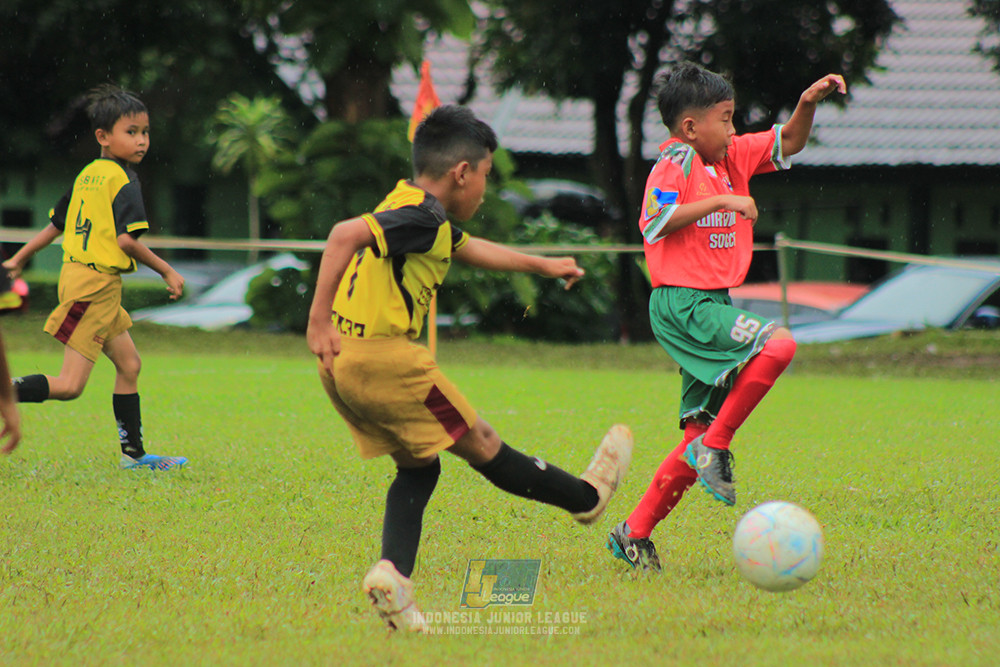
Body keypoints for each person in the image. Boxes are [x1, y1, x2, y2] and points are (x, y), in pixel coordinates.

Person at [307, 104, 634, 632]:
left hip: (343, 366)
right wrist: (316, 319)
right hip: (386, 360)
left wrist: (542, 263)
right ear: (462, 172)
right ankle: (586, 498)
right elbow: (344, 234)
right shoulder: (424, 214)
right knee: (483, 443)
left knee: (419, 467)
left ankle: (394, 580)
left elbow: (464, 247)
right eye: (483, 175)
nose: (484, 190)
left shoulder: (409, 205)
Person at [607, 63, 846, 572]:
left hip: (712, 303)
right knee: (779, 344)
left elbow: (790, 142)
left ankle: (633, 532)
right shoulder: (675, 159)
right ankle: (717, 447)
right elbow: (654, 222)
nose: (735, 130)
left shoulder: (731, 154)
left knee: (694, 437)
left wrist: (807, 102)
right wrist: (722, 199)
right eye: (727, 119)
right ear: (691, 127)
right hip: (683, 302)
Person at [3, 84, 187, 470]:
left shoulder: (89, 174)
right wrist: (168, 270)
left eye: (145, 132)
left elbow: (56, 225)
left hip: (90, 281)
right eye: (131, 132)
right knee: (70, 386)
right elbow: (127, 241)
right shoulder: (124, 180)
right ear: (103, 137)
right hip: (93, 284)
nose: (141, 141)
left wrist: (18, 259)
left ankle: (134, 456)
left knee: (130, 366)